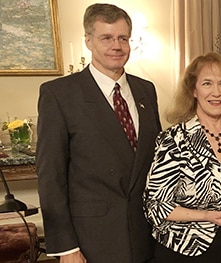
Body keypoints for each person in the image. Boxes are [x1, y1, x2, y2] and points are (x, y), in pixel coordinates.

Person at [36, 3, 161, 263]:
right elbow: (51, 178)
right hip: (92, 240)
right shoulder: (59, 94)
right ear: (88, 41)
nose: (116, 46)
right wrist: (66, 247)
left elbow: (155, 164)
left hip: (147, 235)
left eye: (122, 38)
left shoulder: (145, 91)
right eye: (106, 38)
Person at [143, 52, 221, 263]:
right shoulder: (174, 139)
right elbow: (154, 206)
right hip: (187, 250)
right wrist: (207, 216)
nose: (216, 92)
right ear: (193, 90)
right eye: (207, 83)